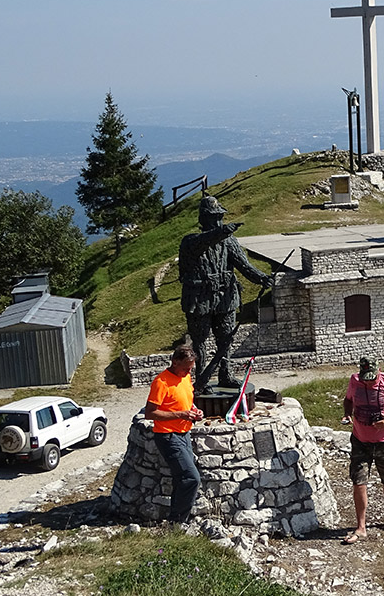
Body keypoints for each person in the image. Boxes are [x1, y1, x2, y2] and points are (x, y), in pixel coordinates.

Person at [178, 195, 270, 393]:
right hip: (199, 299)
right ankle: (201, 379)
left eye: (219, 217)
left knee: (226, 338)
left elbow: (244, 265)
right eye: (214, 218)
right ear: (204, 219)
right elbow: (202, 242)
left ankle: (226, 374)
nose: (218, 221)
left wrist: (262, 278)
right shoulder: (191, 242)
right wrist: (221, 232)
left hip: (225, 297)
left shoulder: (229, 241)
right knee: (200, 341)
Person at [341, 356, 384, 544]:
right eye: (366, 378)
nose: (368, 381)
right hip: (360, 440)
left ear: (378, 371)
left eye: (372, 377)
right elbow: (348, 400)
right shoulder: (355, 381)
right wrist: (347, 414)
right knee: (359, 480)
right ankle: (361, 527)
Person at [145, 344, 205, 523]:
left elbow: (187, 402)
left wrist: (195, 411)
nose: (188, 372)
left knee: (182, 478)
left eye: (191, 368)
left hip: (184, 433)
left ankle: (175, 520)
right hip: (167, 436)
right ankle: (178, 521)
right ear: (175, 362)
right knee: (191, 477)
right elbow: (150, 413)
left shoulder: (185, 377)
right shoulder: (161, 382)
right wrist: (181, 414)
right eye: (186, 367)